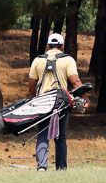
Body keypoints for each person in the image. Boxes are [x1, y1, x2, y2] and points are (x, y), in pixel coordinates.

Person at [27, 33, 83, 171]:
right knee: (61, 136)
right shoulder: (68, 60)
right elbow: (75, 81)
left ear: (47, 45)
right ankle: (61, 167)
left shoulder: (38, 60)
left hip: (42, 101)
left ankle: (41, 167)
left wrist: (32, 100)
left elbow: (31, 86)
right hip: (61, 102)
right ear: (62, 46)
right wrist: (84, 98)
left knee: (43, 133)